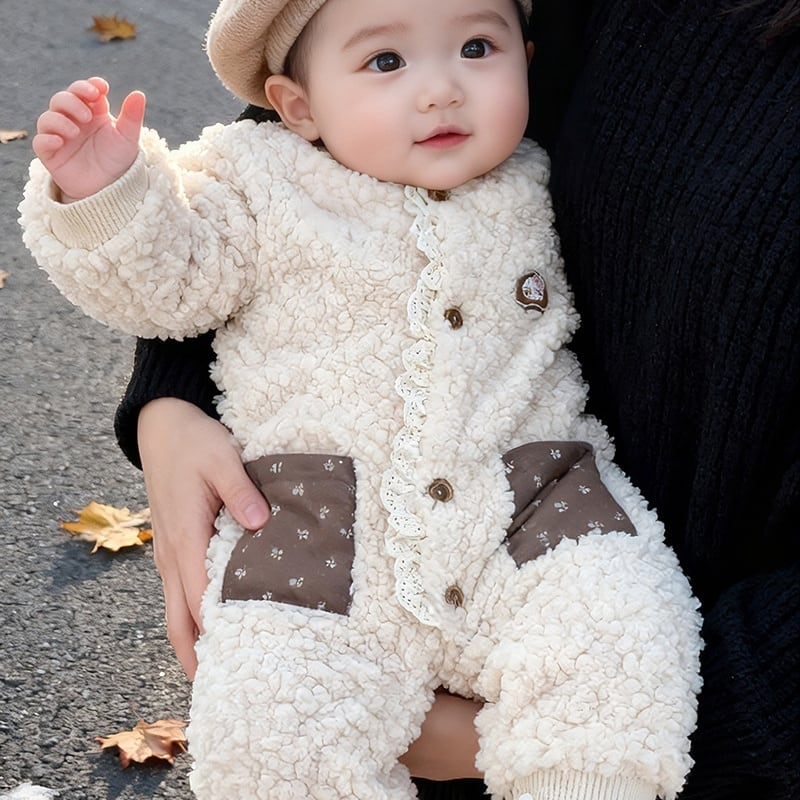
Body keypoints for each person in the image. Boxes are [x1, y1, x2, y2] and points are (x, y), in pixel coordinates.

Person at [19, 0, 707, 798]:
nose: (442, 89)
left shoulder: (544, 174)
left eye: (476, 47)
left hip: (530, 502)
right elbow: (170, 281)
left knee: (618, 629)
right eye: (386, 62)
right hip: (318, 526)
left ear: (527, 55)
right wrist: (109, 192)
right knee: (274, 727)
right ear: (298, 108)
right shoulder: (260, 181)